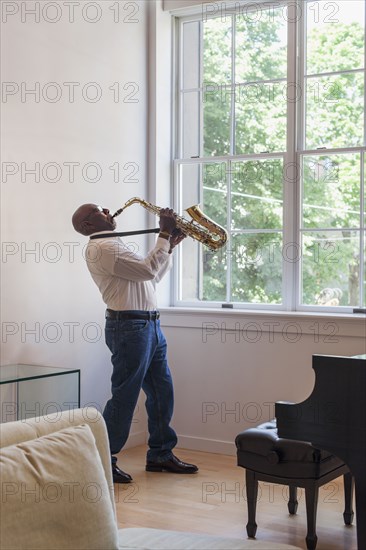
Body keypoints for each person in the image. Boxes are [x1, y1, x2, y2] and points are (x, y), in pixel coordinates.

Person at [72, 203, 198, 483]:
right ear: (88, 226)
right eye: (98, 210)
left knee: (162, 391)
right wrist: (163, 235)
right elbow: (146, 271)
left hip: (148, 323)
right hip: (129, 326)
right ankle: (103, 460)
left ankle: (161, 454)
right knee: (124, 397)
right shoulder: (102, 248)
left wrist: (169, 246)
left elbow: (150, 279)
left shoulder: (113, 244)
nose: (107, 209)